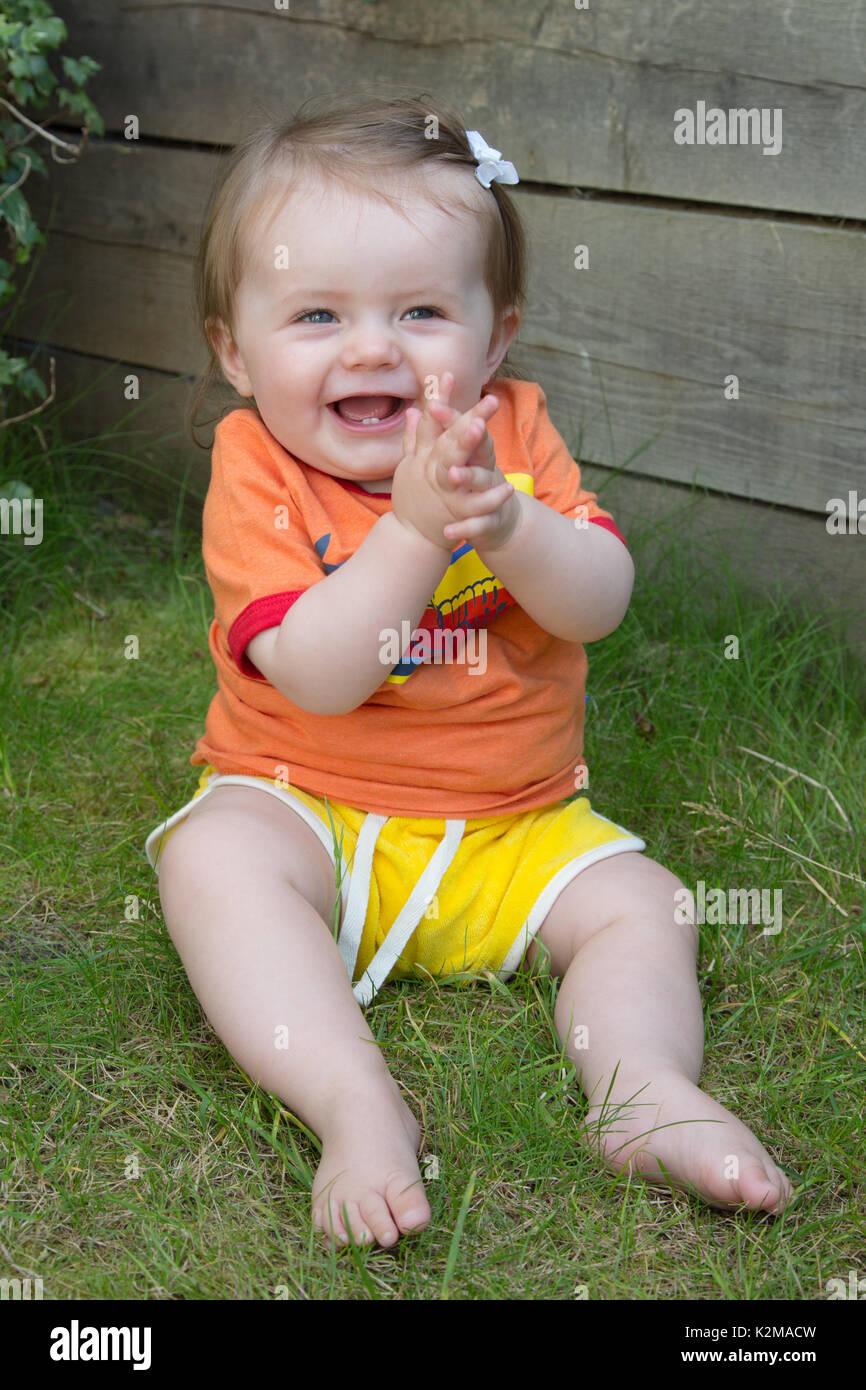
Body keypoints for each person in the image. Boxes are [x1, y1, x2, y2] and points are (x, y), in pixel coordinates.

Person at [144, 95, 793, 1250]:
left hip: (515, 827)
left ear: (493, 337)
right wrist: (408, 535)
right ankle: (353, 1099)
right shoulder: (256, 474)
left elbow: (599, 597)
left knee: (641, 905)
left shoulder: (512, 437)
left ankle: (641, 1091)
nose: (371, 347)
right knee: (211, 861)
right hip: (311, 808)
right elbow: (321, 673)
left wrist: (506, 523)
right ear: (232, 351)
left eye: (419, 310)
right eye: (314, 314)